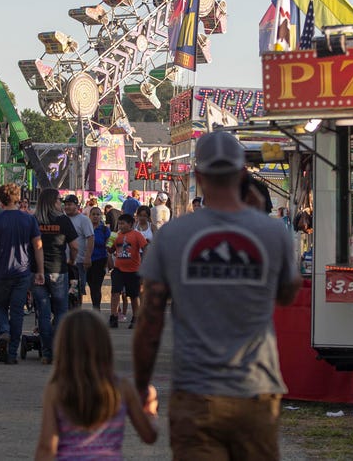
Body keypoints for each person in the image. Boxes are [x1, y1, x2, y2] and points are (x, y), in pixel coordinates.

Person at [133, 131, 302, 460]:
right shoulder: (271, 233)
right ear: (242, 173)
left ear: (198, 176)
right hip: (257, 391)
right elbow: (286, 294)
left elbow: (150, 321)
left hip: (197, 393)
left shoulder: (174, 235)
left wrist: (142, 384)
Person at [34, 309, 159, 459]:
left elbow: (47, 447)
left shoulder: (56, 389)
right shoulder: (122, 388)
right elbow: (149, 436)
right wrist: (150, 411)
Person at [0, 183, 40, 365]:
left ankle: (3, 331)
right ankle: (12, 352)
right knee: (17, 311)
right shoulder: (28, 220)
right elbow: (38, 247)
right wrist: (41, 270)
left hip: (2, 272)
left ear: (2, 199)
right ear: (18, 198)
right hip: (22, 271)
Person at [33, 188, 80, 365]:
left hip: (37, 271)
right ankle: (59, 349)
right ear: (53, 202)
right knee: (61, 310)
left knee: (43, 313)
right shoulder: (63, 221)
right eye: (59, 200)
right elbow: (75, 246)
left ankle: (47, 352)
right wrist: (72, 260)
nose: (61, 203)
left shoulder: (34, 220)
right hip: (58, 269)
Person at [107, 214, 147, 329]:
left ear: (131, 224)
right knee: (115, 293)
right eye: (119, 223)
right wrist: (111, 239)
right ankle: (113, 316)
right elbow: (110, 249)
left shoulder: (137, 235)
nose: (121, 226)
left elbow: (145, 248)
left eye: (123, 223)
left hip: (134, 270)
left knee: (134, 296)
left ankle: (136, 317)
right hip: (119, 269)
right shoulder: (116, 235)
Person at [63, 195, 94, 309]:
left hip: (78, 262)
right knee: (63, 291)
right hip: (63, 261)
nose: (67, 207)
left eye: (70, 204)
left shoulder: (84, 220)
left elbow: (90, 238)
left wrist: (87, 257)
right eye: (65, 204)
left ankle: (77, 316)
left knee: (77, 291)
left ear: (77, 206)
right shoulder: (62, 218)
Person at [86, 207, 111, 311]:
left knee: (96, 287)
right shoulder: (86, 228)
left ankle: (96, 309)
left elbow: (109, 244)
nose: (95, 216)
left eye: (98, 214)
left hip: (100, 260)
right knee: (90, 285)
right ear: (89, 216)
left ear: (101, 216)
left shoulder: (105, 229)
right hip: (86, 260)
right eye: (93, 214)